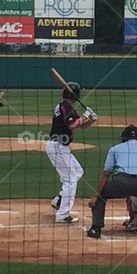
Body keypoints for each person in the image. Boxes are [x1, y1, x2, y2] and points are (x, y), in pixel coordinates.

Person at [47, 82, 98, 224]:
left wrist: (91, 120)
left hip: (60, 147)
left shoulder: (66, 107)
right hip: (57, 146)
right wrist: (84, 115)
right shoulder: (65, 107)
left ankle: (59, 200)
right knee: (70, 178)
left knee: (77, 171)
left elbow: (79, 126)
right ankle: (62, 214)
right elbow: (72, 125)